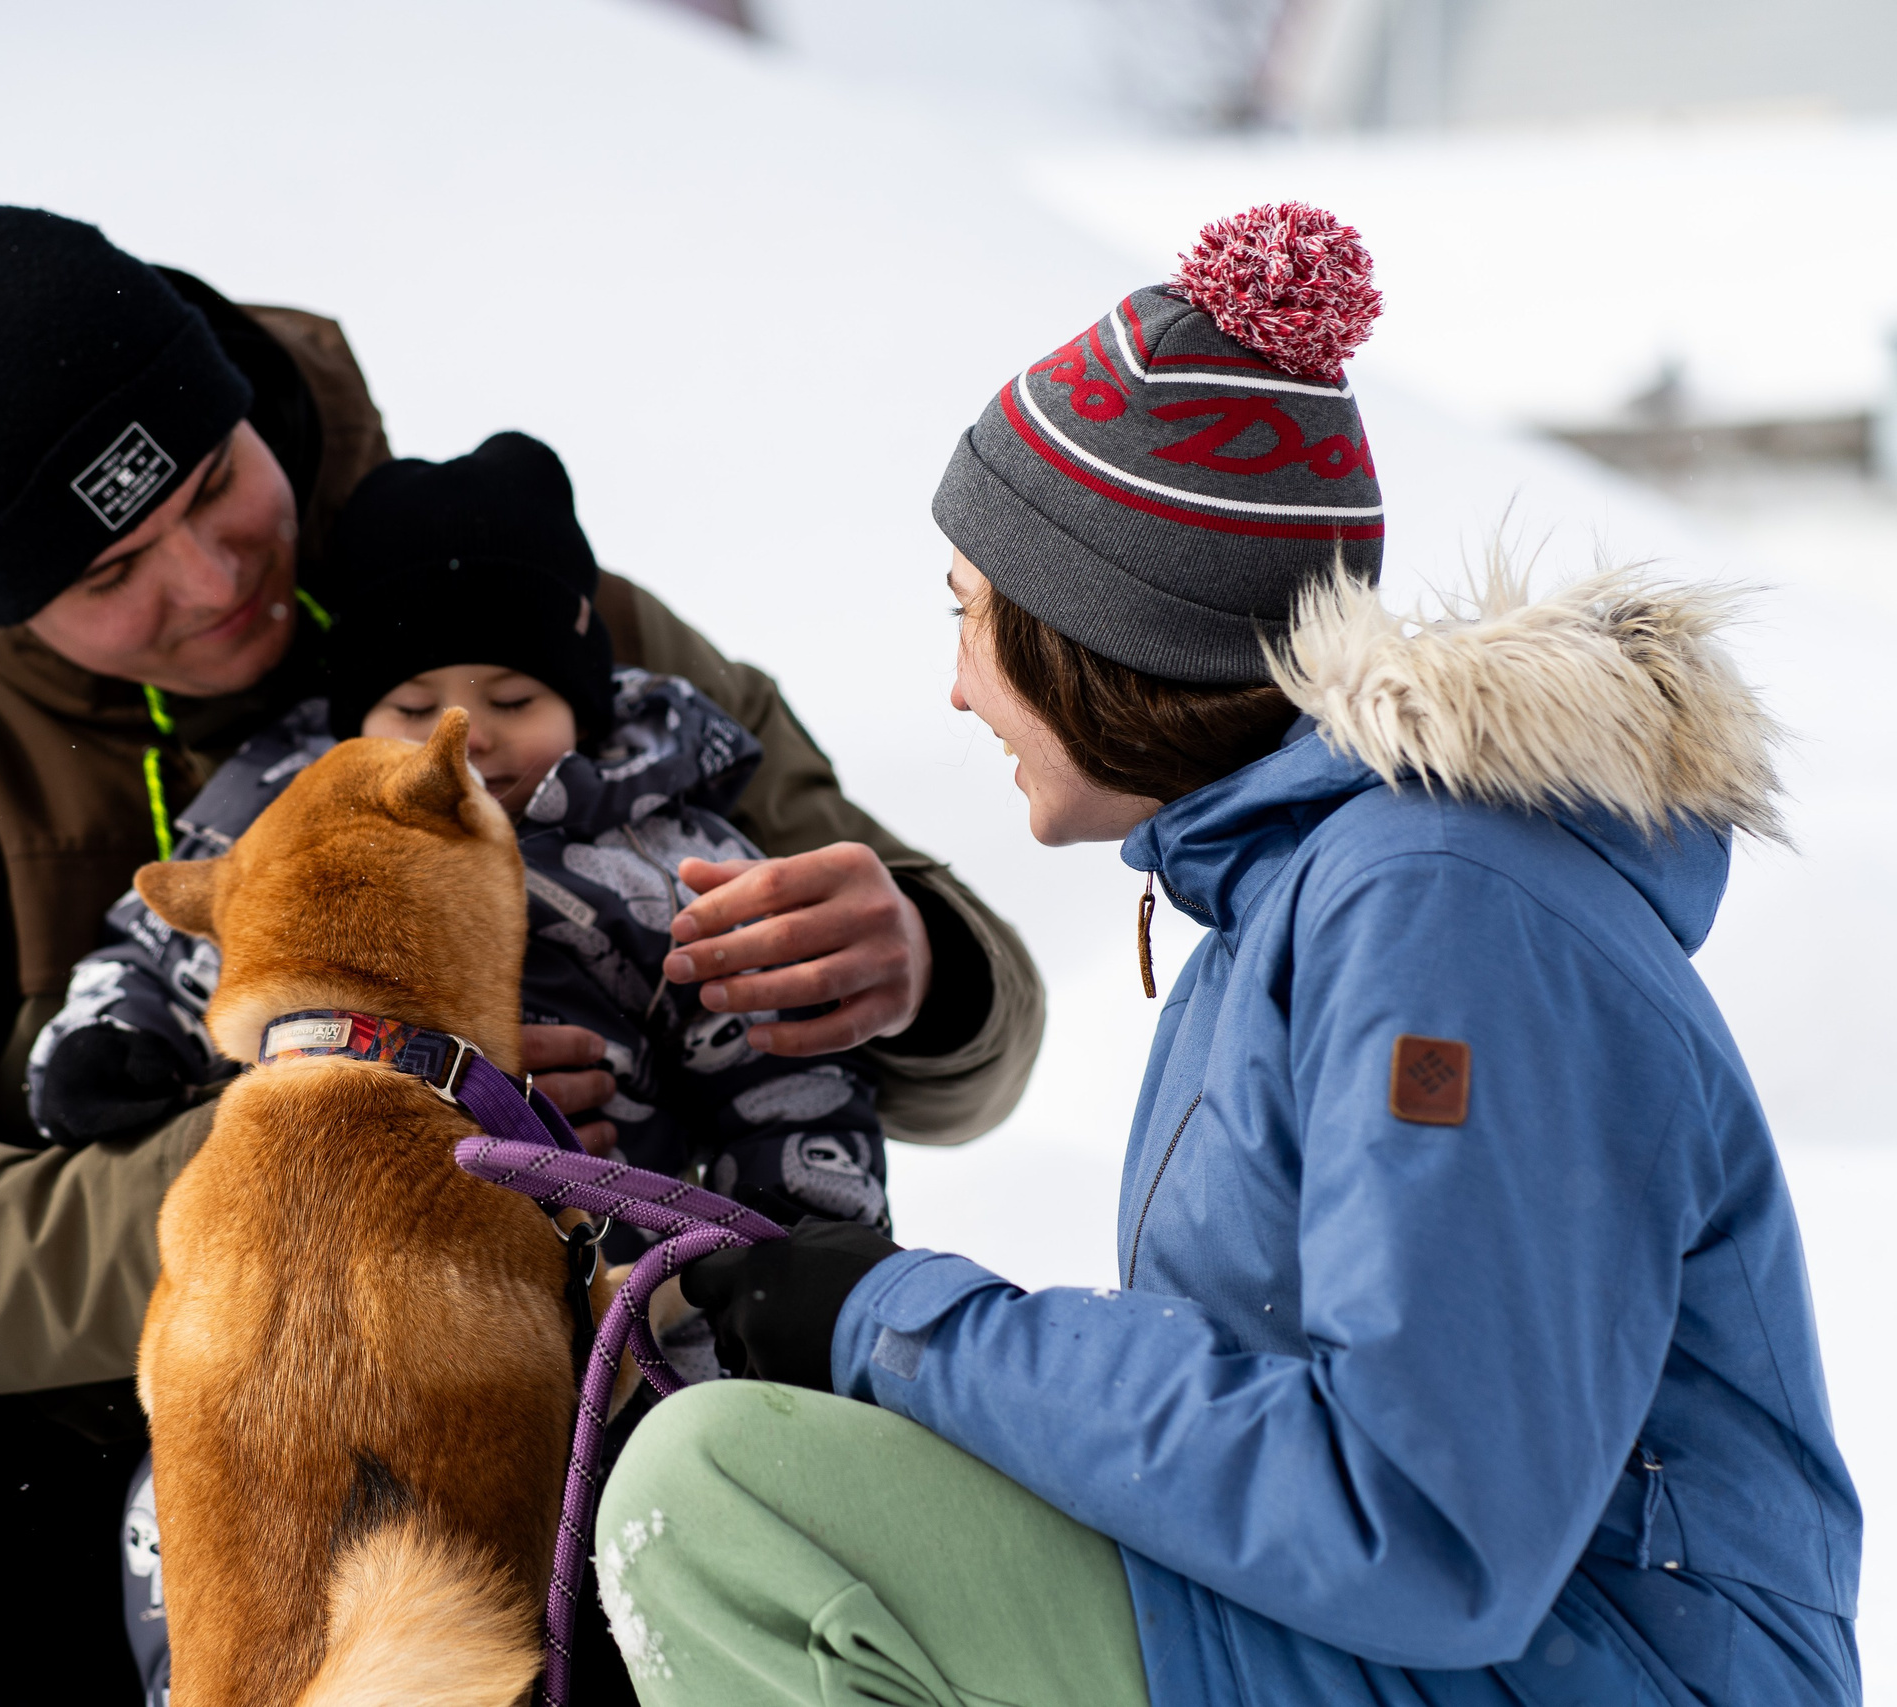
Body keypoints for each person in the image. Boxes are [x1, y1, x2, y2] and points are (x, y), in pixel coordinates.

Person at [0, 206, 1042, 1705]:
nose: (211, 577)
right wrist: (304, 1162)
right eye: (110, 577)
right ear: (5, 607)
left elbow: (945, 993)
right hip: (141, 1445)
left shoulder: (495, 586)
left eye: (214, 487)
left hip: (564, 1402)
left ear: (244, 406)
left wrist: (921, 959)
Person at [600, 203, 1863, 1707]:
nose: (950, 687)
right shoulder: (1313, 897)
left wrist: (896, 1320)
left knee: (736, 1499)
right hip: (1465, 1656)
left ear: (1100, 627)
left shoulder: (1448, 910)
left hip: (1602, 1669)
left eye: (971, 617)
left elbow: (1425, 1517)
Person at [47, 427, 895, 1706]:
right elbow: (173, 927)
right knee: (197, 1492)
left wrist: (796, 1258)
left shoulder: (666, 857)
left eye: (514, 698)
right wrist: (105, 1032)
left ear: (586, 694)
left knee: (636, 1529)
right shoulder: (287, 811)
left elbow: (771, 1065)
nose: (472, 736)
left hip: (615, 1300)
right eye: (414, 704)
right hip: (324, 1274)